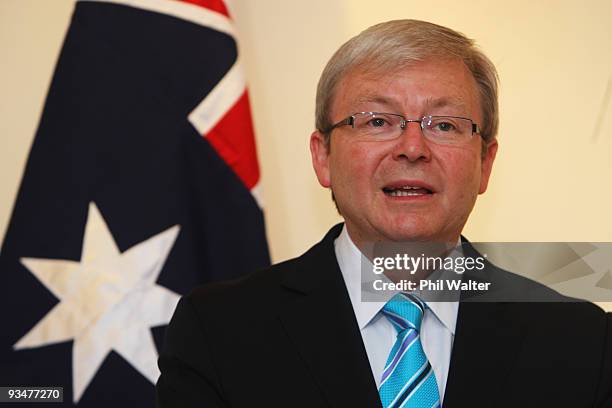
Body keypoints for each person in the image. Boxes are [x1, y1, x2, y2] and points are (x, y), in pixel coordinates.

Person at [156, 19, 612, 407]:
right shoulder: (219, 329)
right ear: (323, 157)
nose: (413, 148)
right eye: (377, 121)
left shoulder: (582, 341)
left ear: (485, 163)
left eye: (445, 125)